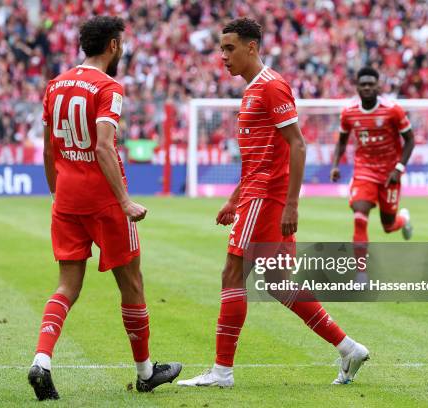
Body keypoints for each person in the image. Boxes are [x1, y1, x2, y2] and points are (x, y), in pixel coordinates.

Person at [177, 18, 369, 388]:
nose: (223, 56)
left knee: (232, 275)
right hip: (256, 196)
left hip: (267, 199)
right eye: (221, 49)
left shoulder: (271, 87)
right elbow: (258, 159)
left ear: (252, 47)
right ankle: (348, 348)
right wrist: (234, 200)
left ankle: (221, 372)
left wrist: (291, 205)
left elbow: (297, 144)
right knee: (279, 282)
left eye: (230, 48)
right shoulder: (251, 91)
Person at [29, 16, 181, 401]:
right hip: (104, 200)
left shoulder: (55, 84)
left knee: (67, 286)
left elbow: (49, 149)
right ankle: (146, 372)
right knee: (131, 283)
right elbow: (102, 145)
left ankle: (42, 361)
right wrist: (124, 200)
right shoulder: (108, 86)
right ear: (113, 45)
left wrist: (56, 193)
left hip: (66, 196)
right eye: (122, 44)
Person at [331, 67, 415, 281]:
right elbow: (342, 141)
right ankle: (361, 273)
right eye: (363, 84)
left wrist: (398, 169)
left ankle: (403, 220)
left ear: (378, 86)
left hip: (390, 173)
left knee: (388, 225)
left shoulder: (393, 110)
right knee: (360, 216)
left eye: (371, 84)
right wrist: (335, 165)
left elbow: (410, 140)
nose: (367, 87)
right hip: (364, 170)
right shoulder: (348, 112)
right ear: (357, 87)